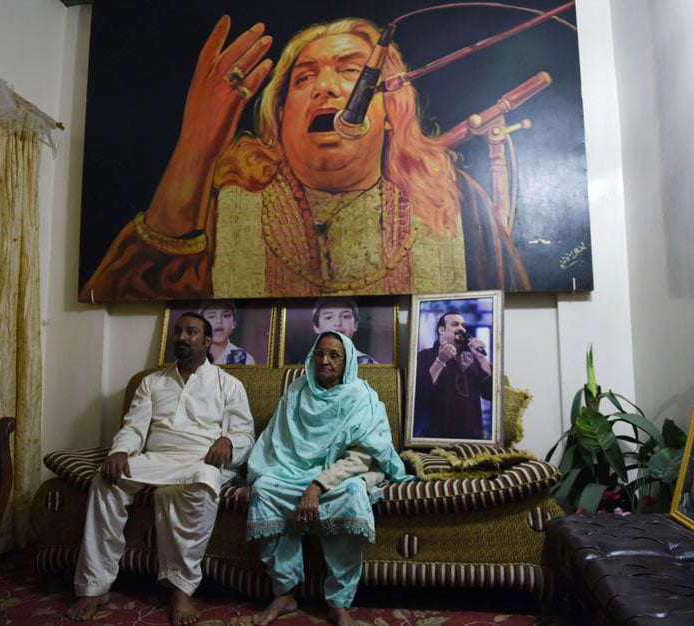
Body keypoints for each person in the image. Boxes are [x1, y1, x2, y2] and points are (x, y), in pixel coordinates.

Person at [79, 15, 529, 303]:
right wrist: (195, 147)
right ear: (280, 116)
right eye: (304, 77)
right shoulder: (224, 201)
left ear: (391, 111)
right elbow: (116, 297)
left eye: (352, 71)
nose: (326, 87)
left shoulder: (456, 201)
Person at [67, 312, 256, 625]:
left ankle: (181, 589)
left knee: (202, 482)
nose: (182, 337)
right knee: (106, 480)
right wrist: (119, 451)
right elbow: (134, 426)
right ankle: (94, 586)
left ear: (207, 341)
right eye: (178, 332)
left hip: (201, 460)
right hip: (157, 458)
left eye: (191, 332)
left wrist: (227, 441)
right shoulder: (151, 382)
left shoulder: (228, 384)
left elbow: (244, 433)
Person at [233, 331, 413, 626]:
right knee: (264, 490)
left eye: (334, 355)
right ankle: (285, 592)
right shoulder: (296, 392)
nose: (324, 361)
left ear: (348, 361)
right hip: (291, 472)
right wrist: (277, 480)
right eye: (319, 354)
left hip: (341, 477)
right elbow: (275, 444)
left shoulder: (362, 397)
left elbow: (363, 457)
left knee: (353, 493)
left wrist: (317, 486)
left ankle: (339, 603)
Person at [413, 310, 492, 440]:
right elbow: (420, 394)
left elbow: (490, 394)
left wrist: (482, 359)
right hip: (436, 440)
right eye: (455, 324)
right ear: (441, 330)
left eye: (463, 325)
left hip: (472, 441)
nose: (461, 328)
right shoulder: (424, 357)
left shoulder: (472, 359)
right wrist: (441, 361)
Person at [311, 297, 376, 364]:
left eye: (345, 316)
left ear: (355, 324)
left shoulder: (367, 362)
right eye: (329, 317)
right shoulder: (307, 364)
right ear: (316, 326)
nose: (338, 323)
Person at [199, 300, 255, 364]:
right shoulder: (194, 355)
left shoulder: (245, 359)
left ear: (234, 322)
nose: (219, 321)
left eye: (226, 316)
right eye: (211, 316)